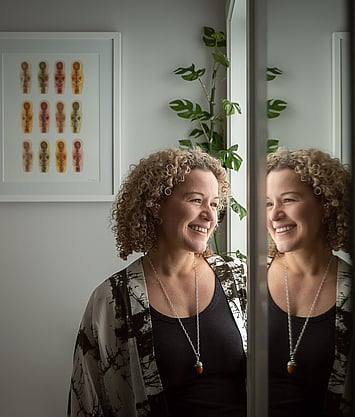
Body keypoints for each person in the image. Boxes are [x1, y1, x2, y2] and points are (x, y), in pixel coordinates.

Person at [68, 147, 247, 417]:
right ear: (155, 205)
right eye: (196, 200)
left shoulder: (238, 278)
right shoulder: (113, 299)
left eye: (214, 204)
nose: (210, 216)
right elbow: (87, 398)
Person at [266, 147, 352, 417]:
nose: (275, 214)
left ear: (326, 205)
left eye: (288, 200)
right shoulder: (241, 283)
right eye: (268, 203)